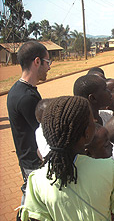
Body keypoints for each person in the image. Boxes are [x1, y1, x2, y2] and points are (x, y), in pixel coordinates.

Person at [20, 96, 114, 220]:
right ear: (87, 134)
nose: (94, 119)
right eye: (91, 121)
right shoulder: (112, 169)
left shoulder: (36, 181)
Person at [7, 41, 51, 210]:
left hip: (28, 160)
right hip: (34, 163)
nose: (49, 67)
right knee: (34, 205)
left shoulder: (19, 90)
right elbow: (42, 132)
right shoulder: (26, 97)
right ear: (37, 61)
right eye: (48, 62)